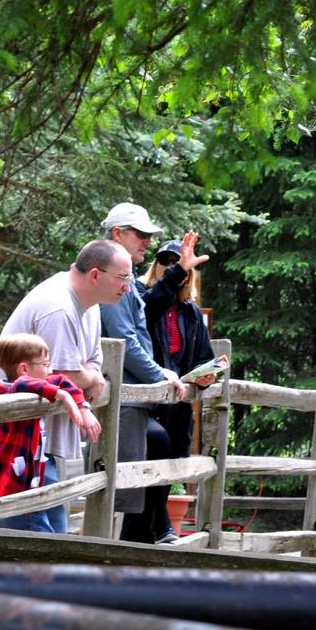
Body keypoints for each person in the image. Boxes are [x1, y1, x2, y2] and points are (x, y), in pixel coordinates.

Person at [0, 239, 131, 532]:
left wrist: (86, 374)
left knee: (51, 530)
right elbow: (64, 373)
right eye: (123, 278)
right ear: (95, 275)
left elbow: (92, 363)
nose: (127, 287)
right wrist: (86, 378)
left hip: (40, 441)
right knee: (27, 533)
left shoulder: (90, 305)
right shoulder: (59, 308)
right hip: (14, 444)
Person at [99, 203, 202, 544]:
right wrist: (161, 375)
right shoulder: (113, 279)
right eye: (140, 235)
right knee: (127, 473)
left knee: (161, 448)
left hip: (156, 396)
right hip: (121, 394)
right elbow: (126, 339)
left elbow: (145, 321)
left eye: (148, 236)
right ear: (117, 234)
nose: (146, 242)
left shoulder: (189, 312)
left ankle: (145, 534)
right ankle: (128, 540)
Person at [142, 236, 225, 500]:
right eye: (165, 261)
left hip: (178, 406)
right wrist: (178, 272)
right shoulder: (142, 298)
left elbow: (204, 357)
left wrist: (206, 376)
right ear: (155, 266)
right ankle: (154, 528)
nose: (170, 267)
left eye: (177, 263)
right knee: (147, 465)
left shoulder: (191, 312)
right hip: (148, 403)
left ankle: (159, 527)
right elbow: (151, 307)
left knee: (172, 463)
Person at [0, 333, 94, 526]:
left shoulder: (35, 385)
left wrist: (82, 407)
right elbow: (22, 383)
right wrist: (62, 396)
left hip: (24, 481)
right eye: (44, 365)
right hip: (13, 482)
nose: (49, 369)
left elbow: (62, 380)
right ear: (24, 368)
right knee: (31, 533)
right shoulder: (4, 390)